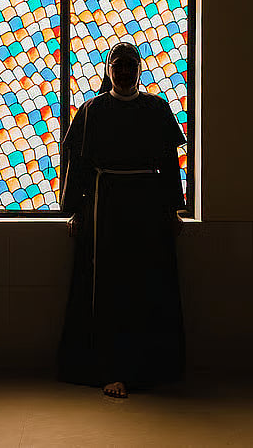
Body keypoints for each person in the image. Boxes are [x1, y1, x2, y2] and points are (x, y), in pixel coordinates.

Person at [57, 41, 187, 399]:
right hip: (105, 208)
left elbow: (169, 166)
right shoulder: (92, 110)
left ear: (140, 70)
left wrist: (172, 209)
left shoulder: (157, 109)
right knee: (108, 287)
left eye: (131, 66)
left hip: (146, 207)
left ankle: (144, 368)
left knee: (146, 284)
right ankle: (110, 369)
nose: (126, 72)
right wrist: (78, 212)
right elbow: (78, 166)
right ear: (108, 70)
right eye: (119, 66)